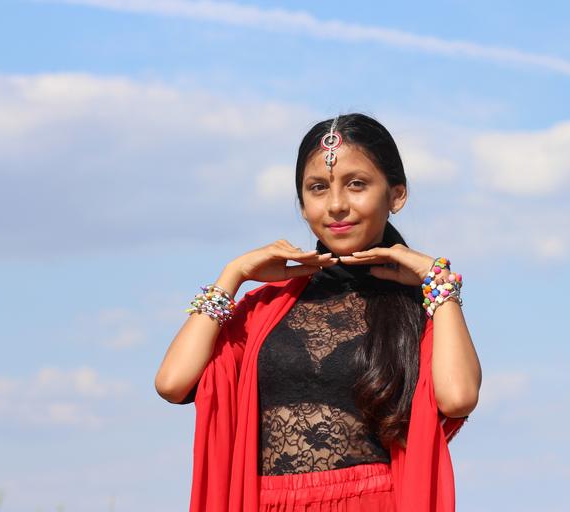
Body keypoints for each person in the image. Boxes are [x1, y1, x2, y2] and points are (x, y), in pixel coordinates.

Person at [155, 112, 481, 511]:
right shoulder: (265, 310)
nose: (337, 205)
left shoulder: (418, 310)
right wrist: (232, 275)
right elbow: (172, 383)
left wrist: (440, 286)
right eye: (318, 188)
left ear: (396, 195)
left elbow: (458, 397)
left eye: (357, 184)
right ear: (303, 204)